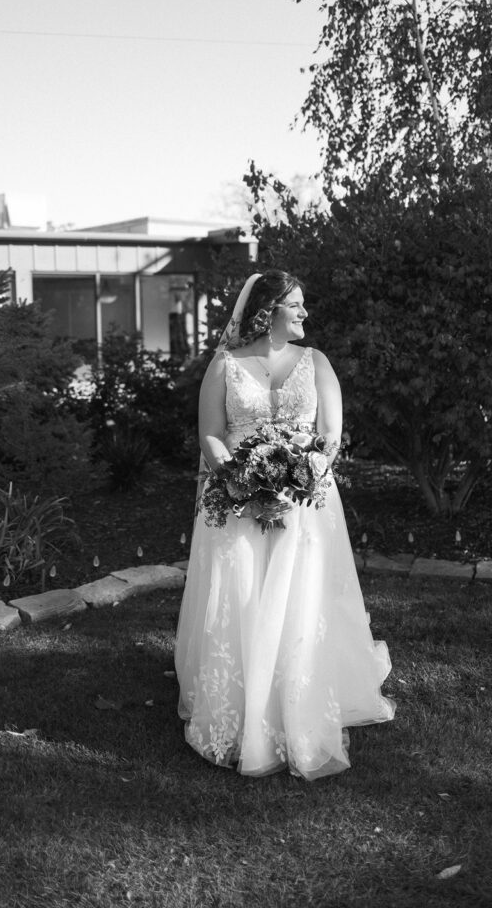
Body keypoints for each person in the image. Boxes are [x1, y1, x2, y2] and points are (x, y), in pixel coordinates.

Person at [174, 270, 395, 780]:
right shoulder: (223, 367)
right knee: (246, 599)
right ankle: (244, 709)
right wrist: (239, 485)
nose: (304, 314)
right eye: (295, 305)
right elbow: (210, 435)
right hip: (239, 504)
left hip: (306, 504)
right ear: (267, 311)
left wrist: (300, 482)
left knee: (301, 601)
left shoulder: (316, 363)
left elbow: (331, 436)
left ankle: (299, 695)